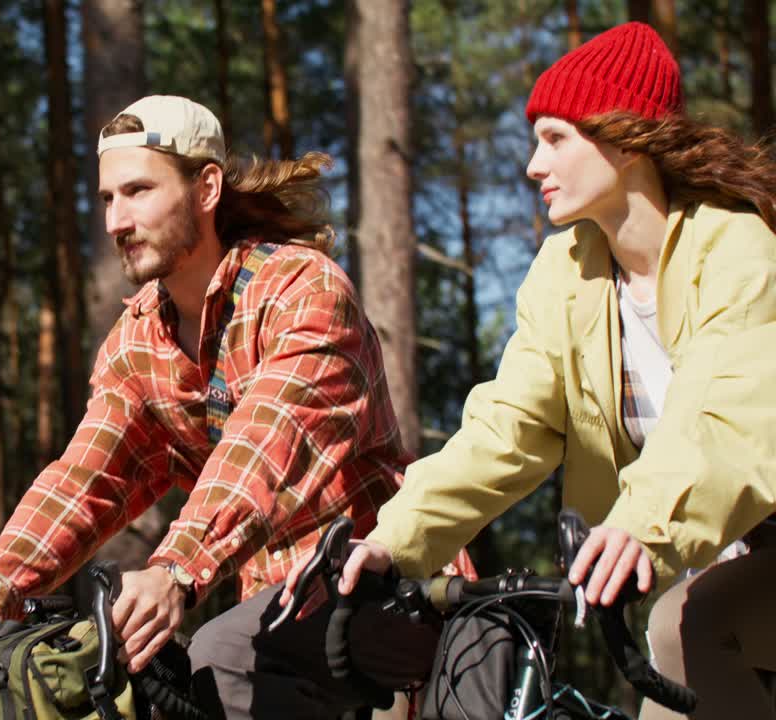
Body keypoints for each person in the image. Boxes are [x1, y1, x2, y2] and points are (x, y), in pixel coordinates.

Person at [284, 22, 776, 720]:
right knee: (679, 634)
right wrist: (399, 539)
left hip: (727, 573)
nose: (531, 166)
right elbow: (507, 429)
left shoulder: (737, 249)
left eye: (555, 139)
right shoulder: (566, 274)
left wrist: (641, 524)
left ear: (626, 138)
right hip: (694, 576)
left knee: (686, 627)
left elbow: (720, 420)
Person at [0, 95, 449, 718]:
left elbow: (264, 446)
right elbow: (83, 481)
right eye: (108, 198)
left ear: (207, 188)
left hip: (391, 589)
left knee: (218, 655)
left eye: (138, 191)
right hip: (277, 629)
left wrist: (175, 570)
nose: (116, 220)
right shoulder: (137, 341)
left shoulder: (303, 290)